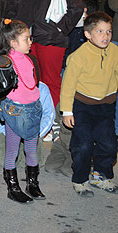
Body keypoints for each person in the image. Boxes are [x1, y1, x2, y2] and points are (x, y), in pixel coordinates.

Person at [8, 0, 84, 109]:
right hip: (24, 40)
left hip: (51, 39)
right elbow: (14, 7)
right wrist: (14, 30)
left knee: (51, 81)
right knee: (28, 81)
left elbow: (77, 7)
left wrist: (60, 28)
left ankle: (53, 124)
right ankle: (34, 119)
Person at [61, 12, 118, 196]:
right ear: (87, 34)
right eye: (100, 31)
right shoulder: (79, 56)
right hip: (82, 106)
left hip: (106, 107)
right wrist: (67, 111)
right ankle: (80, 179)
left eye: (108, 31)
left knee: (109, 144)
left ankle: (100, 175)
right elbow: (68, 85)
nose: (105, 36)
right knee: (83, 145)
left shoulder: (115, 51)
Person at [0, 20, 45, 203]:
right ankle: (12, 186)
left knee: (32, 150)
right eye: (26, 39)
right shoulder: (6, 61)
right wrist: (0, 106)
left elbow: (34, 82)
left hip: (32, 109)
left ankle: (33, 183)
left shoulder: (31, 59)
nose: (30, 42)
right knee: (12, 151)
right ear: (13, 43)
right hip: (15, 111)